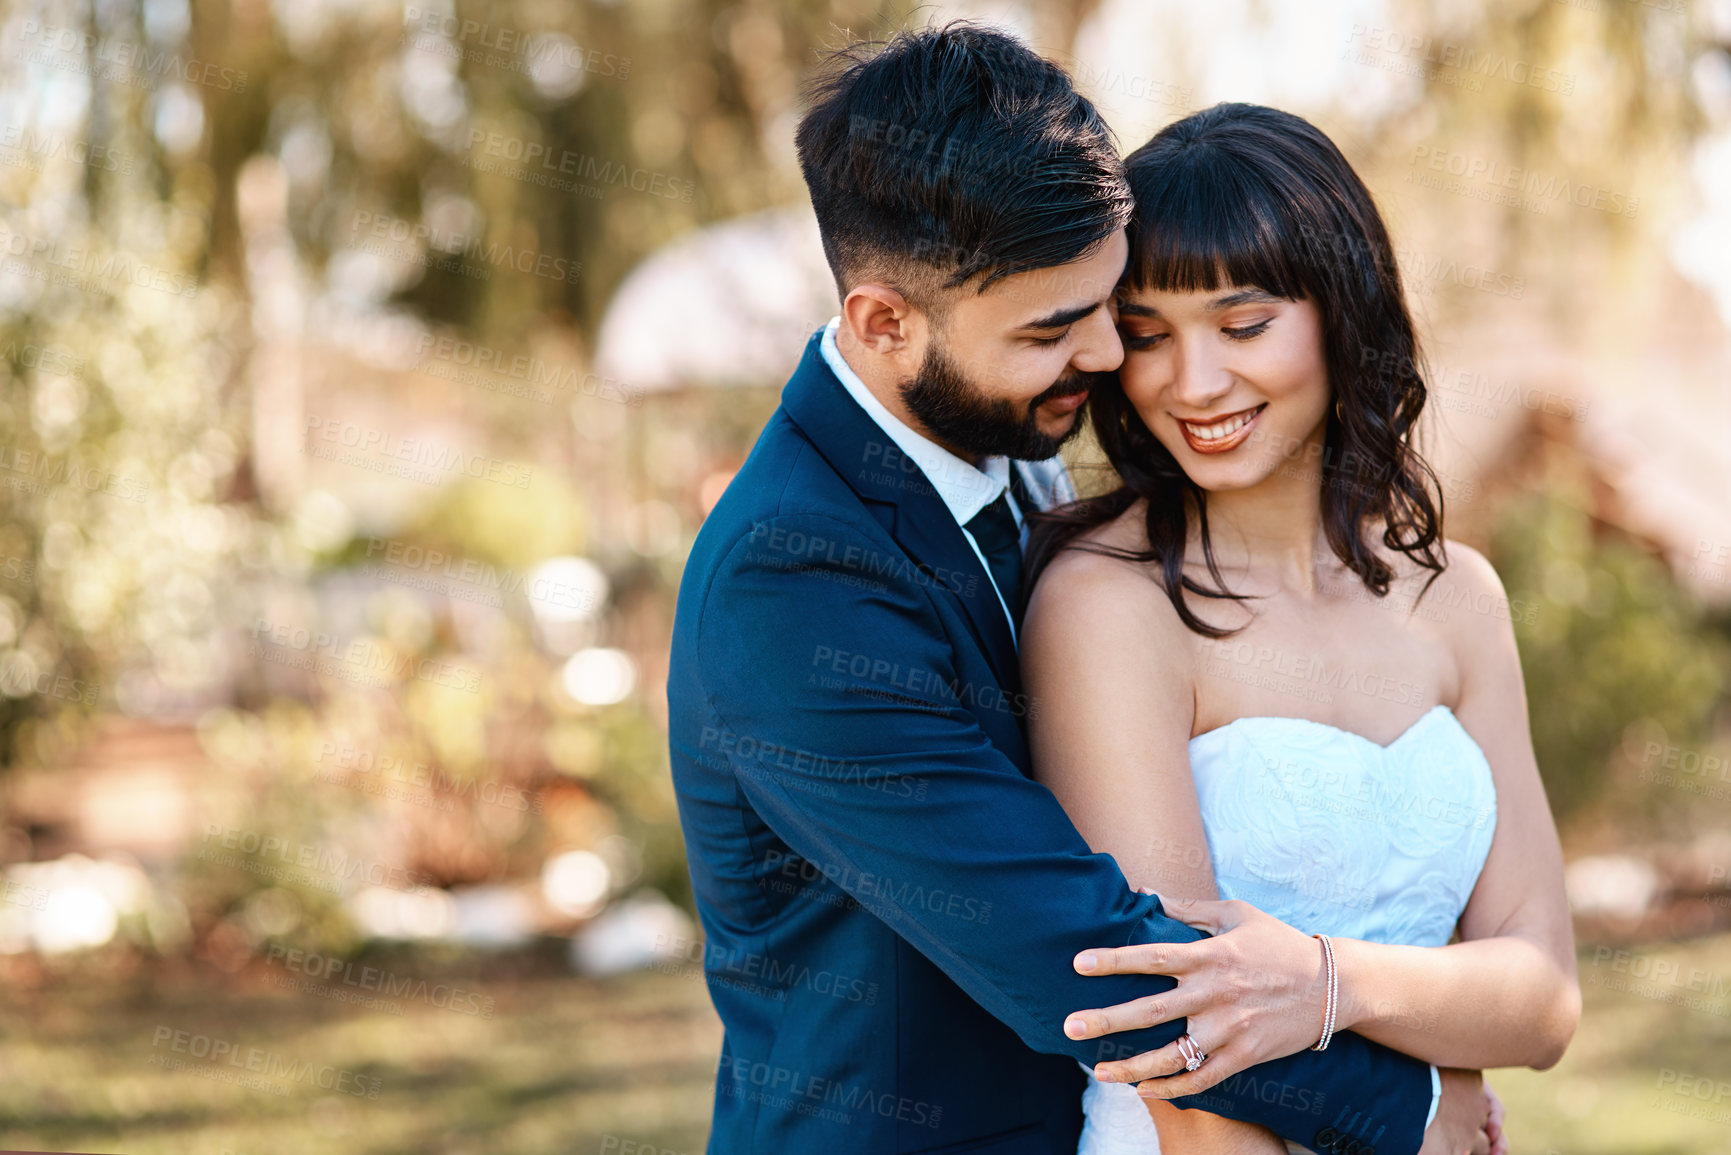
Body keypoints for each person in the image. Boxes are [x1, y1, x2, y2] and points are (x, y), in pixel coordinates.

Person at [667, 26, 1482, 1154]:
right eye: (1056, 327)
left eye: (1107, 306)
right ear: (884, 324)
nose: (1107, 356)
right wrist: (1411, 1108)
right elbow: (1080, 957)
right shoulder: (792, 577)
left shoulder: (1009, 442)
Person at [1021, 103, 1581, 1153]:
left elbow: (1545, 998)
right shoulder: (1109, 603)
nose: (1192, 384)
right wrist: (1426, 1080)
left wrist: (1327, 982)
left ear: (1341, 311)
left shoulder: (1457, 597)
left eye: (1242, 326)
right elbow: (1171, 1047)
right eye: (1146, 337)